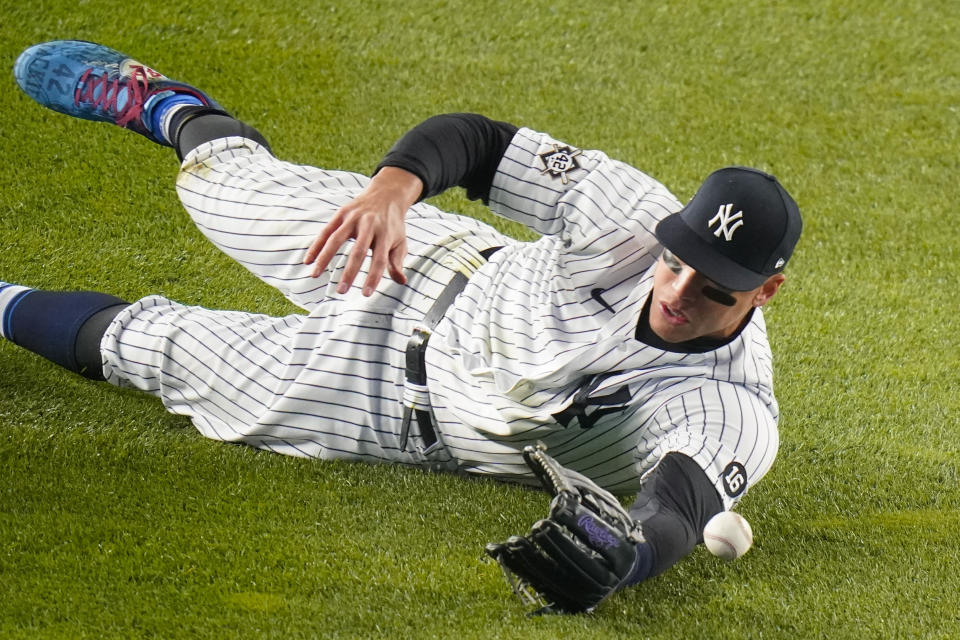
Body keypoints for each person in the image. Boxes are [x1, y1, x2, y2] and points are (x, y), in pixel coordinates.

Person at [8, 40, 802, 612]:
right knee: (223, 185)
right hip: (423, 261)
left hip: (383, 407)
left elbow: (674, 512)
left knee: (149, 347)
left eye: (714, 287)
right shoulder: (626, 212)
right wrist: (393, 189)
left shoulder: (728, 407)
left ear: (766, 290)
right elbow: (481, 142)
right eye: (679, 259)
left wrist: (623, 560)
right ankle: (166, 106)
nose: (680, 288)